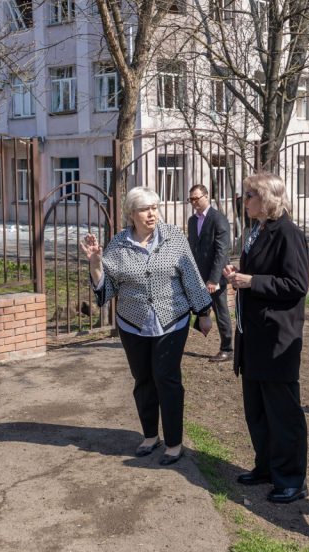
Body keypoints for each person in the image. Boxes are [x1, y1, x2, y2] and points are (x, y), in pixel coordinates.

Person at [80, 186, 214, 466]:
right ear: (132, 214)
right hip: (134, 322)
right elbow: (106, 292)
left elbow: (190, 273)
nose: (152, 213)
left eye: (154, 207)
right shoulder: (118, 244)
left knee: (167, 378)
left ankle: (174, 443)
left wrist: (203, 311)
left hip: (172, 319)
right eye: (145, 209)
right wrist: (95, 264)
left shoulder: (173, 237)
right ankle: (151, 436)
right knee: (143, 380)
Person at [223, 172, 309, 504]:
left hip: (276, 340)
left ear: (268, 199)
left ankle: (291, 479)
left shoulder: (288, 233)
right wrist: (240, 277)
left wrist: (252, 281)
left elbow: (296, 285)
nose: (243, 200)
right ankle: (266, 467)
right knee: (257, 410)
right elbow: (257, 276)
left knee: (282, 413)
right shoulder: (256, 230)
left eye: (249, 195)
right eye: (245, 195)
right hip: (253, 337)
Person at [187, 184, 234, 362]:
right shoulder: (192, 221)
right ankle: (201, 326)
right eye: (191, 199)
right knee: (198, 306)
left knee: (221, 311)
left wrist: (214, 280)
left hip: (215, 277)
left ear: (206, 197)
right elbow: (193, 248)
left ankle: (227, 348)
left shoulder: (218, 219)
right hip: (198, 275)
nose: (194, 202)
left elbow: (222, 252)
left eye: (197, 198)